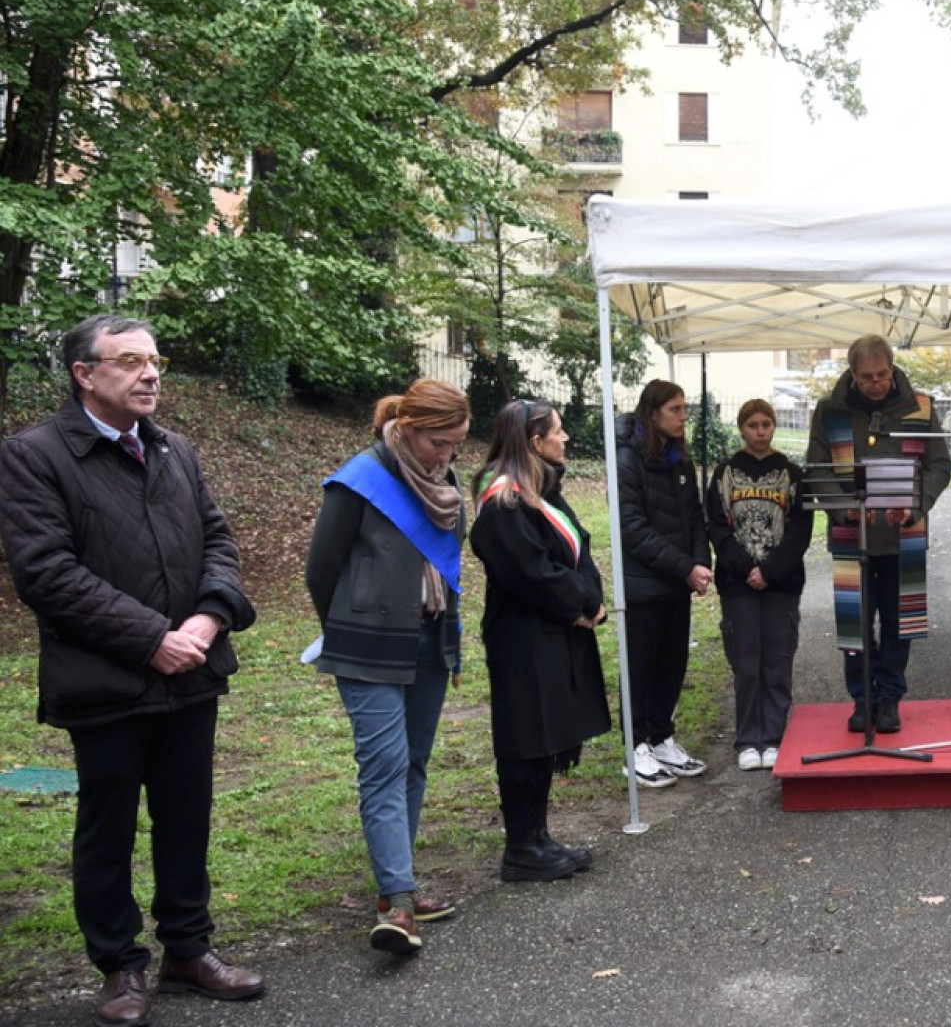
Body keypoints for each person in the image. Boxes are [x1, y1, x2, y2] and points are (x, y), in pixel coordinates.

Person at [0, 314, 265, 1024]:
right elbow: (46, 573)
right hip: (105, 680)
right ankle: (118, 964)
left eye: (156, 360)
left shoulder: (176, 449)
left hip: (193, 672)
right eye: (130, 362)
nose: (150, 374)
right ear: (85, 374)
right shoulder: (34, 455)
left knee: (187, 818)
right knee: (108, 824)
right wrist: (153, 638)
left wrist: (208, 620)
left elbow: (218, 539)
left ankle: (188, 948)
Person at [305, 379, 469, 956]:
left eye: (457, 445)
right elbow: (320, 571)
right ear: (410, 428)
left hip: (430, 639)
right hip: (368, 645)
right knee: (384, 765)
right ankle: (399, 901)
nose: (448, 456)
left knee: (415, 763)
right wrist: (354, 626)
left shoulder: (444, 482)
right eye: (440, 443)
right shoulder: (361, 480)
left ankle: (395, 885)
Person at [468, 399, 610, 882]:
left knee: (546, 734)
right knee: (526, 737)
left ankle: (539, 836)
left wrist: (590, 599)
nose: (566, 437)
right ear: (534, 442)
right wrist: (581, 604)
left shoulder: (540, 489)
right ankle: (521, 847)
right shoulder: (503, 499)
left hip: (552, 632)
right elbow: (529, 572)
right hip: (522, 638)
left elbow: (575, 548)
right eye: (559, 430)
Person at [805, 335, 951, 733]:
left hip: (903, 534)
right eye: (867, 377)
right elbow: (816, 466)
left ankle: (889, 698)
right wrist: (843, 508)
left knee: (897, 620)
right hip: (851, 535)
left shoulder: (920, 407)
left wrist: (916, 506)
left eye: (882, 375)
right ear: (853, 375)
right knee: (855, 621)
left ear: (892, 368)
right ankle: (861, 698)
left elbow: (939, 466)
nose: (876, 383)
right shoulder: (830, 411)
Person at [615, 379, 712, 786]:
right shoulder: (627, 459)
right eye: (676, 409)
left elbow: (694, 517)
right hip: (642, 585)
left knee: (672, 665)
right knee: (641, 667)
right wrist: (683, 567)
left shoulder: (680, 459)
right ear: (653, 412)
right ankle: (635, 747)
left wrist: (700, 563)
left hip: (676, 584)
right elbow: (632, 528)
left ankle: (662, 738)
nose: (684, 416)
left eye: (685, 408)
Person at [707, 399, 812, 770]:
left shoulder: (791, 473)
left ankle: (774, 736)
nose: (761, 431)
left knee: (777, 660)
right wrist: (746, 567)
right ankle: (748, 739)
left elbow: (801, 529)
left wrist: (770, 570)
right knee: (746, 661)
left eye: (767, 423)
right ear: (741, 428)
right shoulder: (724, 474)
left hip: (781, 583)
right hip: (738, 585)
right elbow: (717, 527)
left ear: (774, 426)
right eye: (753, 424)